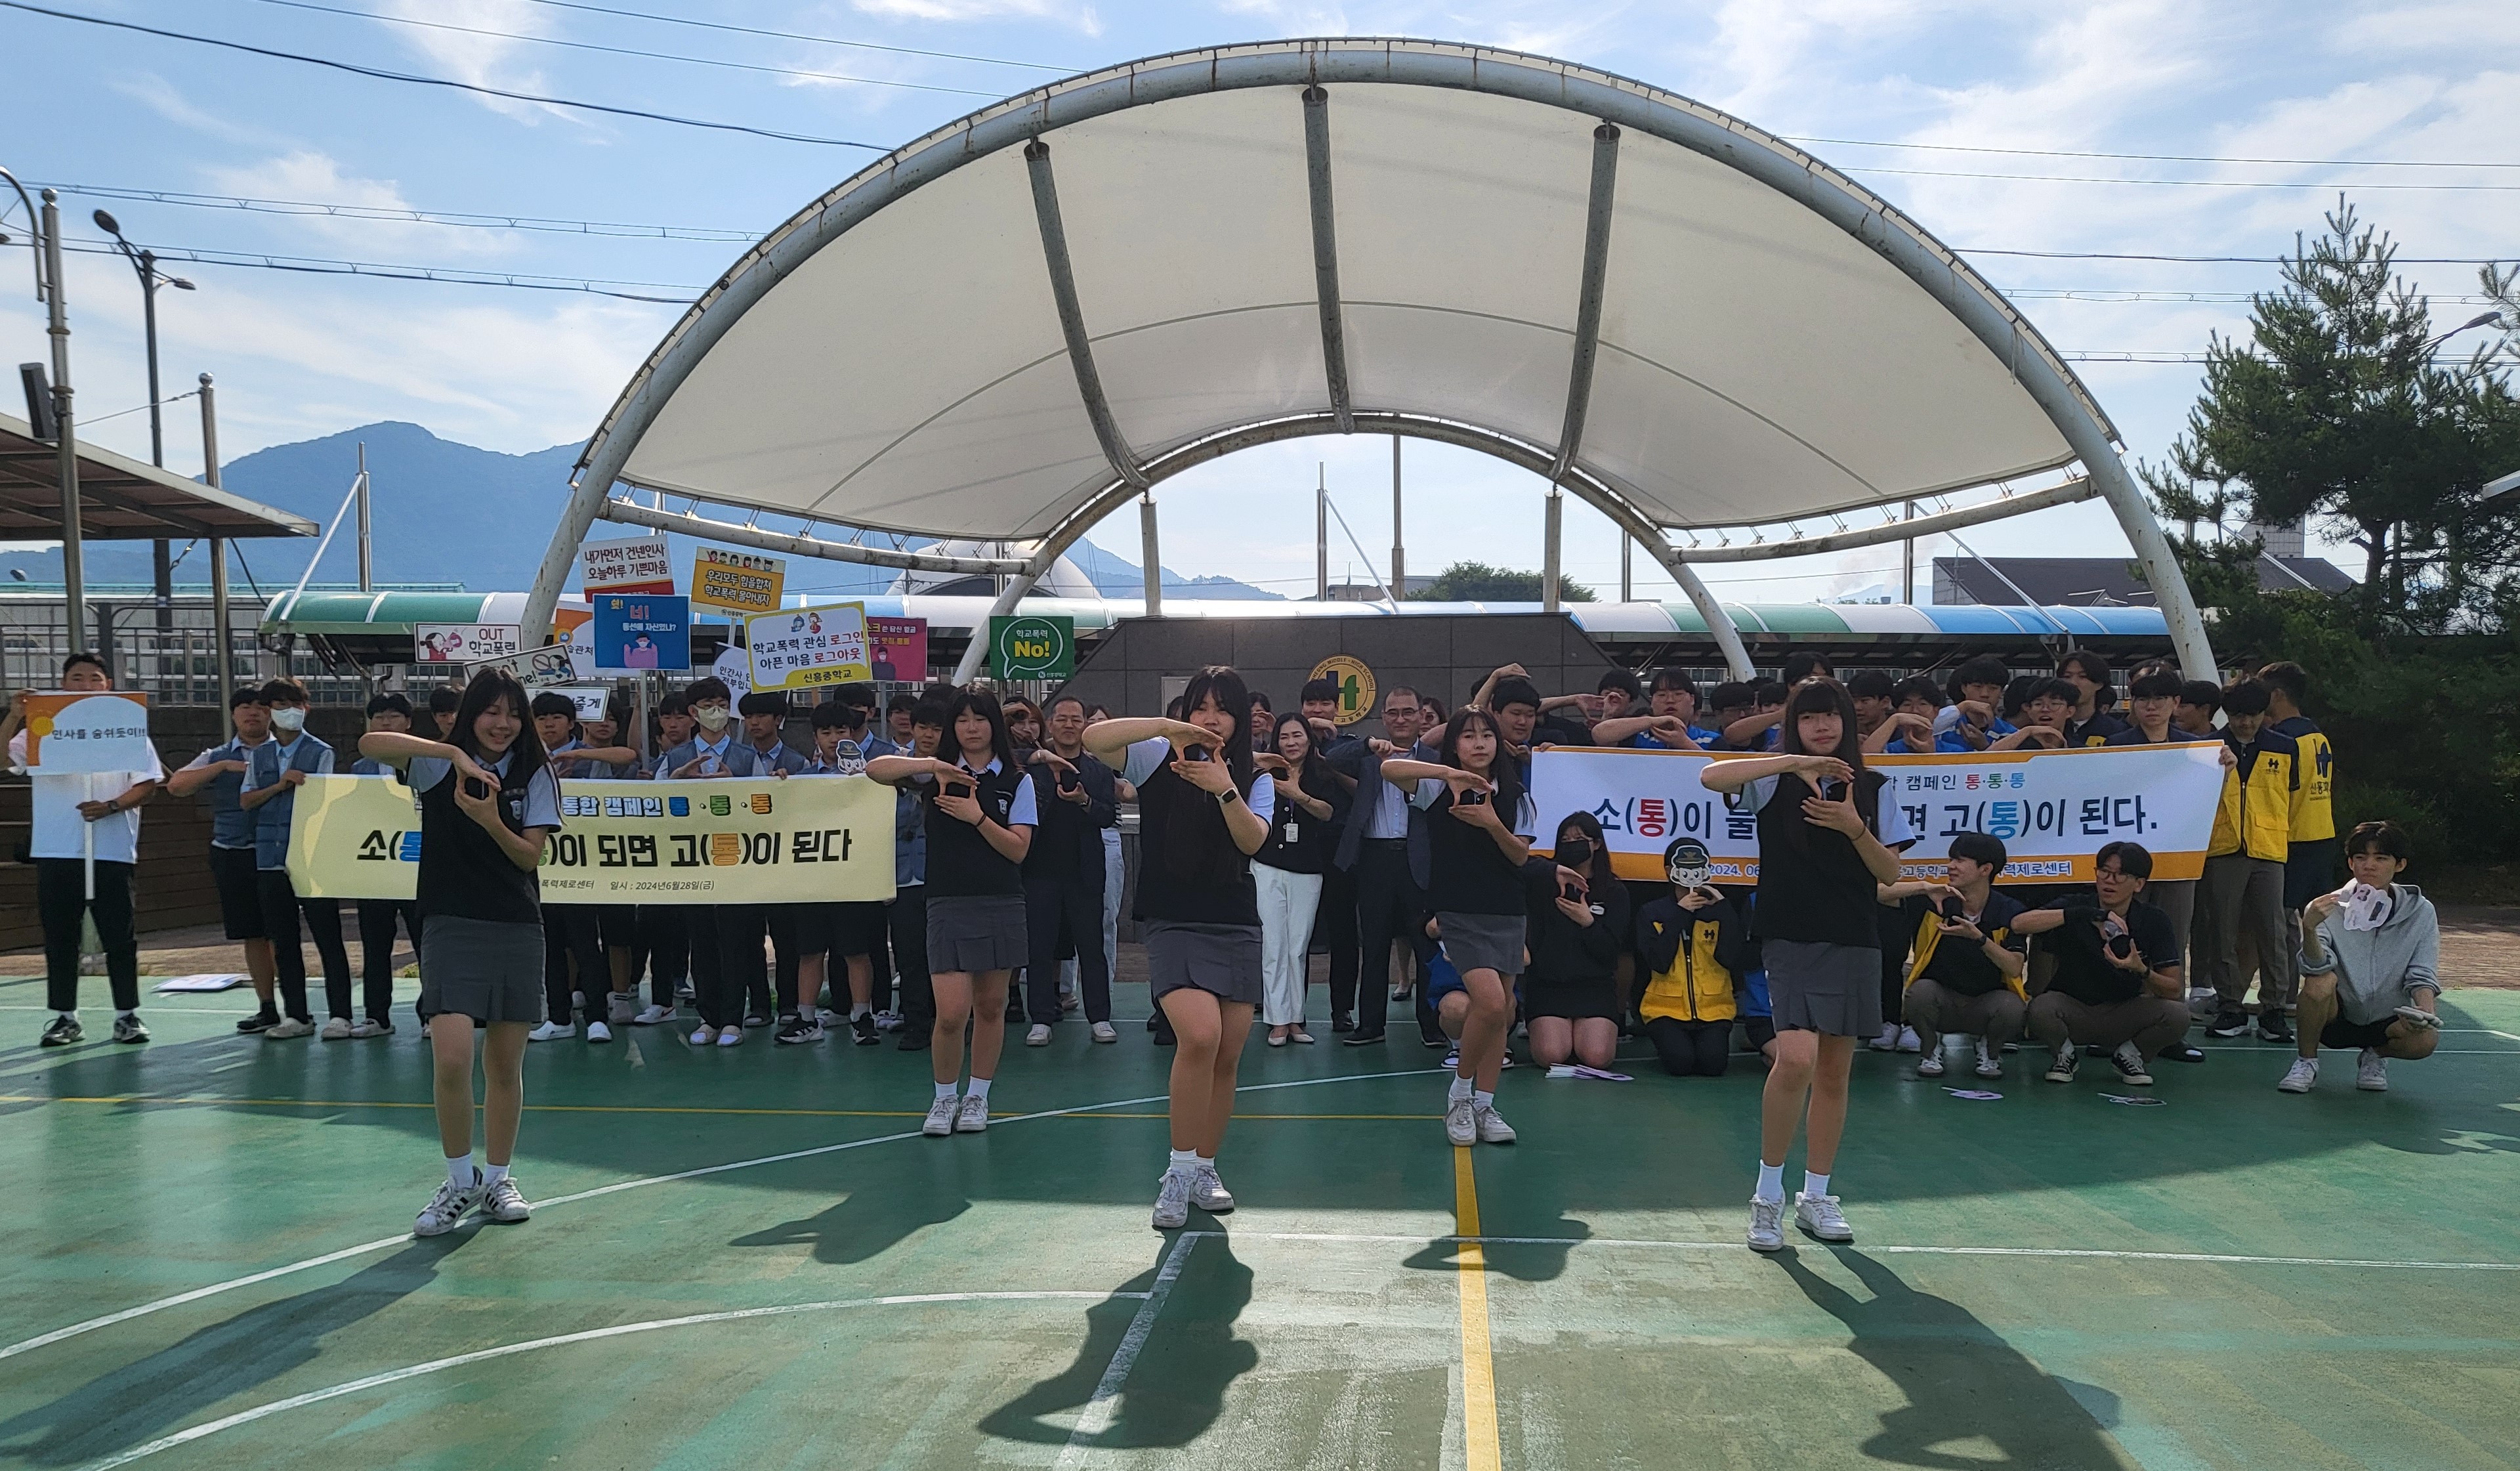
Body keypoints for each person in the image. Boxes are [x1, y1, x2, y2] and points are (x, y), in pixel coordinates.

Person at [1699, 678, 1914, 1252]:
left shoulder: (1873, 787)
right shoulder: (1770, 781)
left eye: (1832, 717)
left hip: (1854, 936)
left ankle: (1816, 1195)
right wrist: (1790, 761)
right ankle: (1766, 1196)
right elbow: (1710, 775)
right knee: (1794, 1058)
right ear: (1794, 724)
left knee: (1835, 1074)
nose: (1823, 727)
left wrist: (1853, 826)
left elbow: (1890, 875)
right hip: (1788, 934)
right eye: (1810, 718)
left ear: (1849, 723)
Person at [358, 669, 561, 1236]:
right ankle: (459, 1180)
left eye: (513, 713)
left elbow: (528, 858)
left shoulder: (535, 773)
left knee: (503, 1065)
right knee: (450, 1057)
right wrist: (452, 751)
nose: (503, 724)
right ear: (471, 713)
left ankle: (498, 1179)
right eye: (491, 711)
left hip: (516, 924)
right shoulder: (436, 764)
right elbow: (370, 743)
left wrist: (489, 820)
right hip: (447, 920)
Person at [1082, 666, 1274, 1229]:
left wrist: (1224, 788)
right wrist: (1168, 726)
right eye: (1200, 706)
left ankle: (1206, 1168)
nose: (1211, 718)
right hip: (1172, 920)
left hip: (1234, 921)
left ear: (1240, 719)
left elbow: (1253, 841)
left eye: (1223, 708)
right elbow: (1096, 740)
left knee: (1228, 1055)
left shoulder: (1252, 775)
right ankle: (1178, 1170)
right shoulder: (1153, 758)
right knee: (1200, 1036)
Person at [868, 687, 1036, 1136]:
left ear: (993, 726)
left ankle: (978, 1095)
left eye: (979, 718)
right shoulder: (934, 774)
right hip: (945, 902)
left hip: (1001, 899)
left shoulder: (1018, 781)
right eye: (961, 719)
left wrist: (977, 816)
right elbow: (874, 769)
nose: (971, 727)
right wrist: (930, 764)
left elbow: (1019, 849)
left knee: (991, 1004)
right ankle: (944, 1098)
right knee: (951, 1012)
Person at [1382, 705, 1536, 1147]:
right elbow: (1392, 767)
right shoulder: (1435, 785)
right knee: (1487, 1002)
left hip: (1507, 909)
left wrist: (1492, 823)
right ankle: (1460, 1095)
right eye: (1467, 736)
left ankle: (1486, 1103)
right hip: (1458, 911)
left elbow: (1520, 856)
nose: (1478, 743)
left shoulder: (1516, 793)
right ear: (1454, 744)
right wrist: (1447, 772)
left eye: (1486, 735)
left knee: (1502, 1011)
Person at [5, 655, 165, 1047]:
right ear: (62, 684)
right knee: (61, 936)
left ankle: (127, 1015)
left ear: (107, 686)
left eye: (95, 678)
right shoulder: (40, 730)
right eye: (76, 678)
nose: (86, 684)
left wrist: (110, 806)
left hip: (112, 850)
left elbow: (148, 784)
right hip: (57, 847)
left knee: (120, 938)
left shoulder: (128, 730)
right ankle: (65, 1018)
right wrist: (13, 717)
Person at [2280, 821, 2441, 1094]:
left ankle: (2374, 1056)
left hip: (2388, 1017)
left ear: (2399, 865)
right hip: (2337, 1016)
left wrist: (2425, 1013)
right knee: (2320, 982)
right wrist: (2308, 927)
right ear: (2351, 864)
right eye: (2361, 858)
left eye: (2381, 858)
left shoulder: (2421, 911)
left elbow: (2421, 971)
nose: (2369, 865)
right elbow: (2314, 967)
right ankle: (2306, 1062)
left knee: (2426, 1040)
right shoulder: (2325, 907)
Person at [2015, 842, 2190, 1086]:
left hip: (2126, 1011)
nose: (2110, 880)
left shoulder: (2154, 920)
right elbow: (2019, 924)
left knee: (2177, 1015)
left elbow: (2174, 989)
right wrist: (2081, 914)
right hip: (2072, 1008)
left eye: (2121, 875)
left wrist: (2141, 969)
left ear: (2139, 884)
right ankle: (2064, 1055)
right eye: (2104, 872)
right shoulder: (2077, 903)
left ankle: (2129, 1055)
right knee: (2040, 1009)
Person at [1326, 686, 1438, 1046]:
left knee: (1426, 947)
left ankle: (1432, 1025)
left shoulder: (1435, 757)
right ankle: (1371, 1025)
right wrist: (1368, 746)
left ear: (1422, 716)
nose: (1401, 719)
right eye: (1393, 713)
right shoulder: (1368, 756)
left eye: (1408, 712)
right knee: (1373, 945)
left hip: (1417, 858)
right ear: (1384, 718)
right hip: (1373, 858)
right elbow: (1329, 760)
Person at [165, 683, 280, 1032]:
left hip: (279, 852)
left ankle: (299, 1008)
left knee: (283, 932)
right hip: (232, 853)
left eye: (260, 706)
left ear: (272, 713)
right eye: (244, 706)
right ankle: (267, 1006)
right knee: (253, 934)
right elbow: (177, 786)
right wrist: (223, 767)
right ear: (233, 714)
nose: (252, 712)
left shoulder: (290, 751)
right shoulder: (216, 754)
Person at [240, 677, 350, 1041]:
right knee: (283, 939)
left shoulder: (321, 751)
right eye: (280, 705)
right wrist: (280, 785)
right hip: (269, 857)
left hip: (311, 855)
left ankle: (341, 1015)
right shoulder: (260, 755)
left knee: (327, 937)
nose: (289, 712)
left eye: (295, 705)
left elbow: (325, 802)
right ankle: (297, 1016)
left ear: (306, 709)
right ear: (268, 711)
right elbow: (247, 800)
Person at [529, 692, 637, 1043]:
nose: (549, 724)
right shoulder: (524, 757)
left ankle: (596, 1018)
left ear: (572, 723)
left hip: (587, 866)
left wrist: (575, 753)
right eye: (542, 718)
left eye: (557, 718)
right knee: (554, 947)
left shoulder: (591, 757)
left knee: (587, 942)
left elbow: (628, 755)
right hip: (543, 865)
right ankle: (558, 1018)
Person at [1878, 831, 2028, 1080]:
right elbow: (1878, 892)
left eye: (1960, 860)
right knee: (1920, 993)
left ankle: (1989, 1052)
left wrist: (1978, 938)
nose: (1951, 866)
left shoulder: (2009, 910)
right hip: (1941, 1000)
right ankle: (1930, 1048)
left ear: (1985, 869)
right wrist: (1923, 887)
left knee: (2012, 1007)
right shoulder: (1935, 902)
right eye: (1951, 859)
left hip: (1985, 1003)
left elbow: (2014, 967)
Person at [655, 677, 753, 1044]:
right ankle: (708, 1018)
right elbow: (656, 808)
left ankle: (733, 1020)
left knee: (734, 942)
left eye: (722, 703)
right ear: (693, 713)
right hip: (693, 863)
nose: (717, 711)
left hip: (736, 863)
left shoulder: (747, 758)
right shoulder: (675, 759)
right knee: (702, 942)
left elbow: (767, 811)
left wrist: (740, 789)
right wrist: (677, 783)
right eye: (708, 705)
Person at [2201, 680, 2300, 1042]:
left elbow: (2290, 798)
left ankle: (2274, 1009)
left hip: (2270, 850)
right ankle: (2230, 1006)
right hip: (2223, 848)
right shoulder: (2209, 747)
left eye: (2253, 716)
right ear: (2229, 714)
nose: (2245, 723)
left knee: (2273, 931)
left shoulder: (2285, 748)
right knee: (2222, 930)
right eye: (2239, 716)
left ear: (2265, 714)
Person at [1020, 694, 1118, 1046]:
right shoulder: (1032, 768)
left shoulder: (1098, 770)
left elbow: (1108, 815)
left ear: (1085, 725)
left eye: (1076, 719)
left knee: (1092, 948)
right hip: (1039, 871)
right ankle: (1042, 1018)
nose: (1069, 724)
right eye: (1061, 718)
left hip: (1085, 872)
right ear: (1051, 723)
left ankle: (1100, 1017)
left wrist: (1085, 802)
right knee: (1039, 948)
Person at [797, 699, 888, 1045]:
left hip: (856, 880)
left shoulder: (872, 775)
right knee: (809, 951)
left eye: (841, 731)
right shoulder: (801, 780)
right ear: (815, 737)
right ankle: (805, 1019)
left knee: (856, 951)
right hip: (814, 882)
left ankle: (862, 1016)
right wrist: (780, 786)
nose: (834, 738)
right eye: (826, 732)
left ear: (853, 733)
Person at [1253, 709, 1343, 1045]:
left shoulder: (1321, 773)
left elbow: (1328, 812)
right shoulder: (1263, 771)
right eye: (1285, 736)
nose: (1291, 742)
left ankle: (1295, 1020)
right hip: (1267, 864)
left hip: (1308, 867)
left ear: (1309, 739)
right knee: (1274, 943)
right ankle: (1276, 1020)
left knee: (1297, 946)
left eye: (1298, 735)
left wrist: (1298, 795)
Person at [339, 692, 423, 1037]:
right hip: (375, 871)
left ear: (408, 723)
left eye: (393, 716)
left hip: (419, 870)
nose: (385, 723)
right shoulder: (359, 769)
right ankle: (377, 1017)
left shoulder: (427, 763)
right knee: (375, 947)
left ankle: (433, 1015)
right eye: (379, 717)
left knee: (427, 945)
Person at [1633, 837, 1752, 1077]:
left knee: (1713, 1065)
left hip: (1714, 1010)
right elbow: (1659, 962)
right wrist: (1680, 914)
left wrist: (1724, 909)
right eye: (1684, 868)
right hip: (1664, 1010)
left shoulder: (1719, 910)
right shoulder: (1652, 912)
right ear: (1670, 871)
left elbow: (1732, 958)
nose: (1691, 873)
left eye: (1697, 867)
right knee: (1680, 1063)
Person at [1522, 811, 1629, 1071]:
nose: (1572, 844)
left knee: (1597, 1057)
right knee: (1551, 1056)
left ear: (1597, 844)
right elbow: (1517, 865)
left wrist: (1588, 922)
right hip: (1548, 986)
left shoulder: (1614, 891)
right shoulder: (1542, 883)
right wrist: (1551, 870)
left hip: (1594, 987)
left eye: (1580, 838)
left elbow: (1611, 953)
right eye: (1565, 839)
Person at [2261, 660, 2338, 1015]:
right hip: (2322, 834)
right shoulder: (2316, 733)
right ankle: (2319, 988)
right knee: (2317, 921)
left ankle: (2287, 993)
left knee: (2285, 922)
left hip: (2294, 839)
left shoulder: (2285, 739)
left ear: (2276, 694)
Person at [885, 702, 946, 1052]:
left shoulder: (957, 767)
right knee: (909, 956)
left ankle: (950, 1021)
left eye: (936, 728)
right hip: (902, 875)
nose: (927, 734)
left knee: (947, 957)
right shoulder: (893, 765)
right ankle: (914, 1023)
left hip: (943, 876)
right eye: (923, 726)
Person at [2057, 650, 2129, 746]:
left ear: (2099, 684)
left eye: (2082, 676)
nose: (2073, 683)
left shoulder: (2119, 731)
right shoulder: (2047, 726)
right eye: (2067, 676)